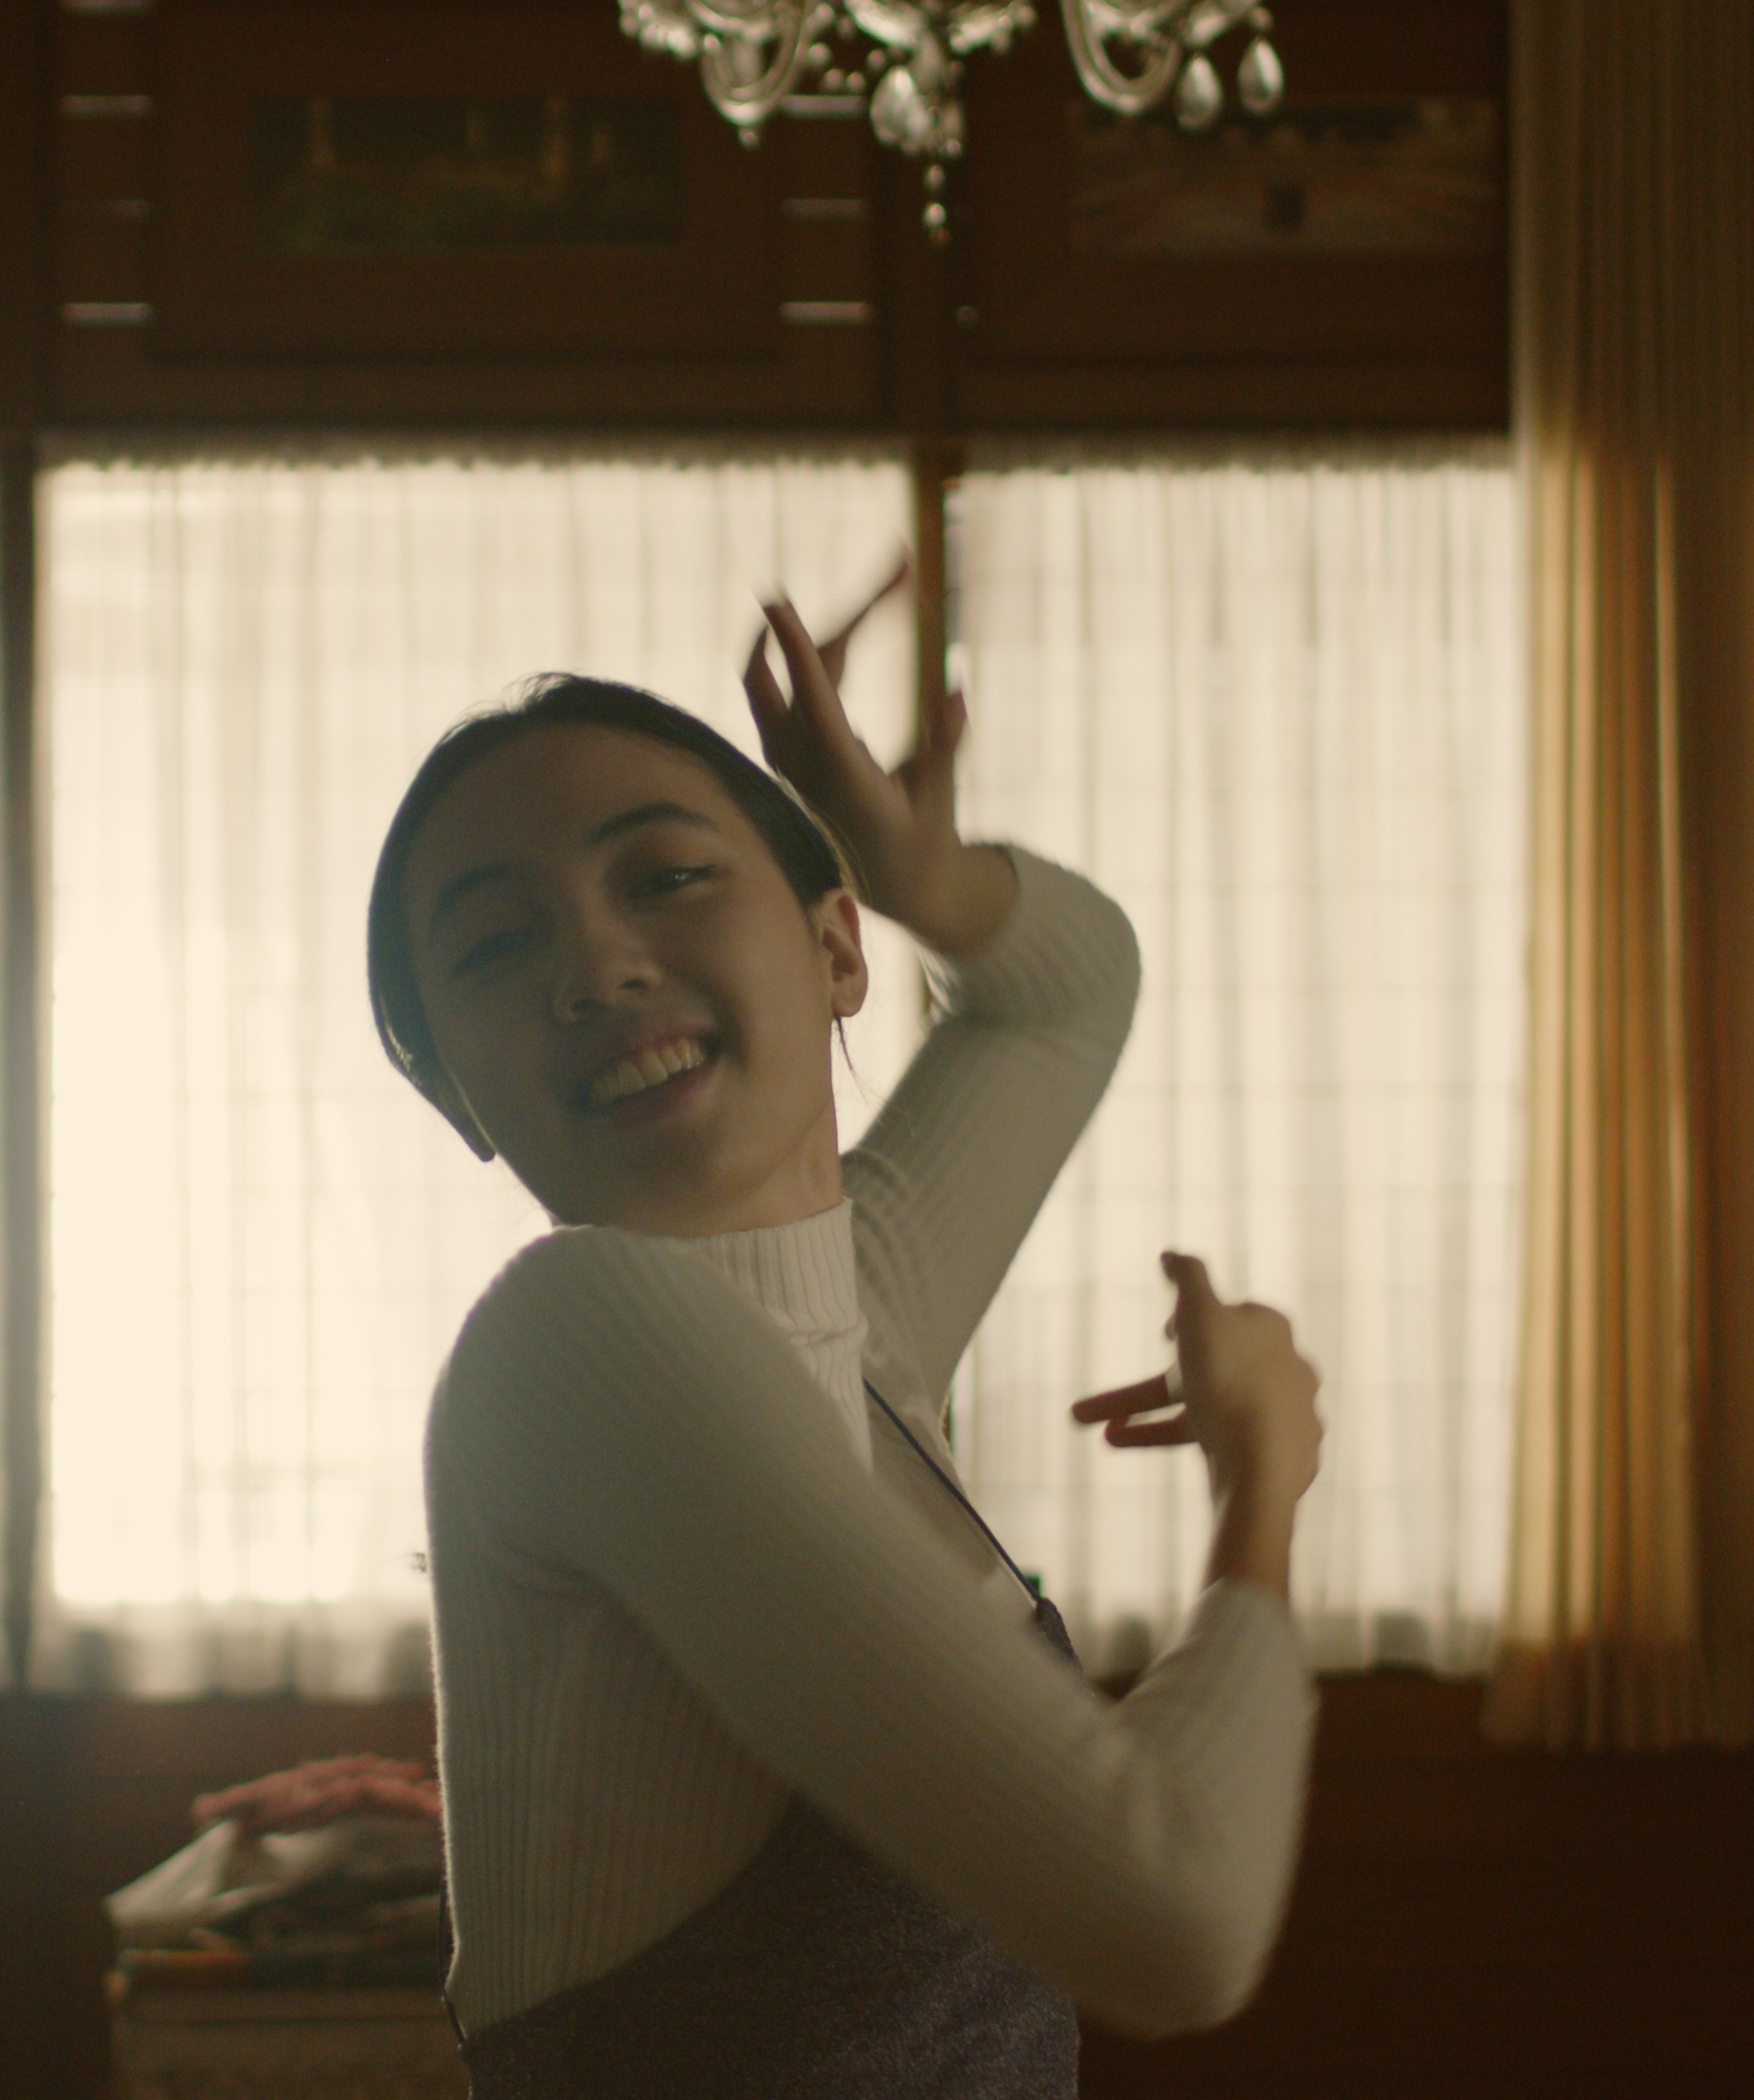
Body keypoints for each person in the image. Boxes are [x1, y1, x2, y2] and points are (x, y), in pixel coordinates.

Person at [363, 573, 1326, 2097]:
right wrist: (1262, 1478)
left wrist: (918, 872)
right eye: (492, 943)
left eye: (668, 876)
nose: (596, 966)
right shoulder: (575, 1339)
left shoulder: (865, 1314)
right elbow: (1178, 1918)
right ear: (450, 1097)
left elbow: (1068, 992)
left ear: (836, 950)